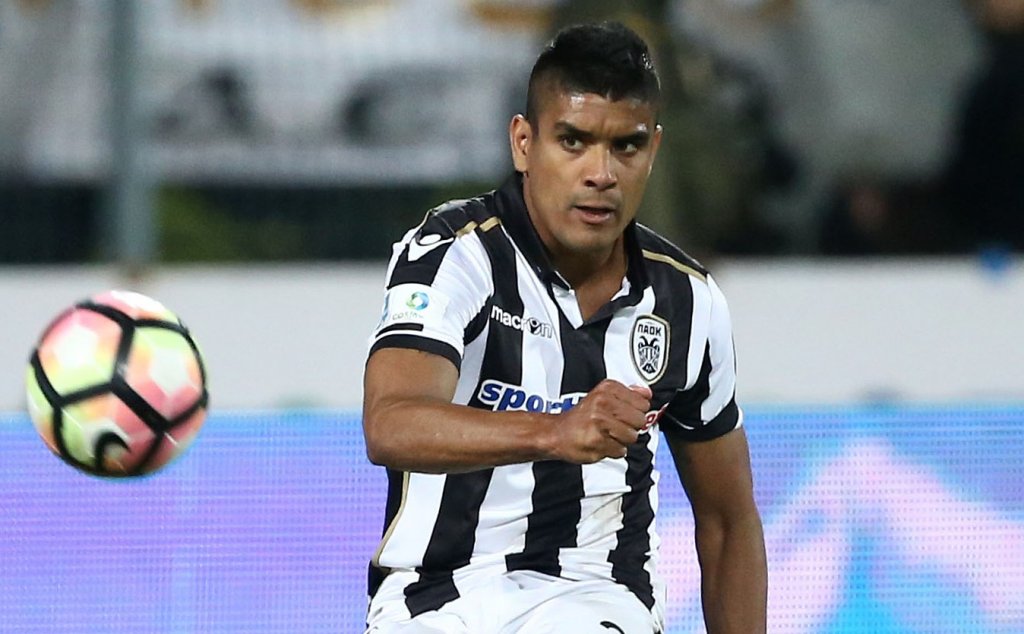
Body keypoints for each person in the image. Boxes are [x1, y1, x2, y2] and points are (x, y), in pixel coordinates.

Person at [362, 22, 767, 634]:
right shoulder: (454, 254)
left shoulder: (686, 300)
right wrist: (555, 431)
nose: (601, 173)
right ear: (523, 143)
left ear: (653, 150)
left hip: (593, 596)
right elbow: (390, 422)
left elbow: (728, 521)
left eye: (626, 146)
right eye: (573, 141)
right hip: (432, 601)